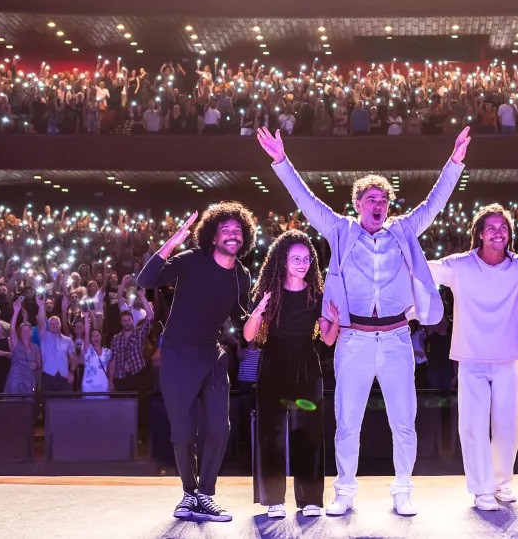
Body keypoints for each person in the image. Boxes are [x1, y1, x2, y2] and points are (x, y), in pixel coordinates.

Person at [257, 125, 469, 517]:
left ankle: (403, 490)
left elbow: (434, 203)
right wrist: (281, 161)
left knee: (404, 422)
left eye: (383, 200)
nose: (378, 205)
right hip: (353, 339)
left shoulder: (404, 230)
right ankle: (345, 493)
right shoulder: (340, 229)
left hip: (395, 339)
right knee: (347, 422)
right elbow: (306, 201)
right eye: (371, 199)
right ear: (357, 204)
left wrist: (454, 162)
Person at [136, 203, 255, 523]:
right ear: (213, 236)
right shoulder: (190, 260)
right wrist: (172, 242)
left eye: (238, 230)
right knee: (183, 432)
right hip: (177, 354)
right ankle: (188, 494)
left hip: (212, 355)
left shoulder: (241, 275)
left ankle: (205, 494)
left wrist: (257, 316)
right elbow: (146, 280)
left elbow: (241, 321)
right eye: (226, 229)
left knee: (219, 426)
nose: (233, 234)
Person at [428, 204, 518, 511]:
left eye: (503, 227)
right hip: (470, 358)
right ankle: (481, 488)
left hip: (508, 357)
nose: (498, 233)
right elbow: (423, 269)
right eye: (491, 227)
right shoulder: (460, 264)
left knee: (509, 422)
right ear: (479, 234)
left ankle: (501, 482)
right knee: (472, 425)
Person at [243, 230, 339, 519]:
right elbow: (250, 336)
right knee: (270, 433)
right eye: (296, 258)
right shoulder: (268, 293)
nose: (302, 263)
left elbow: (329, 340)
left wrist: (333, 321)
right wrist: (258, 311)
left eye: (307, 258)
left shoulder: (316, 294)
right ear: (282, 260)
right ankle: (274, 500)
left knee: (308, 433)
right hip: (273, 364)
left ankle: (310, 500)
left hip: (306, 366)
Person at [5, 299, 40, 396]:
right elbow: (12, 329)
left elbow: (39, 363)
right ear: (20, 333)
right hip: (16, 379)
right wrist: (16, 311)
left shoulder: (36, 347)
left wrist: (36, 365)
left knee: (28, 406)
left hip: (29, 379)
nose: (26, 333)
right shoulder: (16, 343)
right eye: (23, 331)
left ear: (31, 332)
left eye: (28, 330)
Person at [80, 309, 111, 396]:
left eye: (97, 335)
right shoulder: (88, 350)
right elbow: (86, 333)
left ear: (101, 337)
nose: (95, 337)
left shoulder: (108, 352)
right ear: (90, 339)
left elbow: (112, 367)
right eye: (93, 336)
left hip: (103, 385)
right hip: (88, 386)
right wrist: (86, 317)